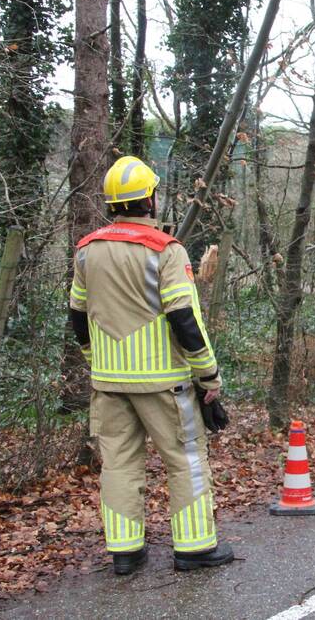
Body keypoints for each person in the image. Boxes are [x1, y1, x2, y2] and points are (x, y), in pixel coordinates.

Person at [68, 156, 234, 575]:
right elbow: (184, 318)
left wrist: (94, 360)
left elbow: (77, 314)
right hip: (164, 382)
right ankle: (195, 549)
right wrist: (208, 375)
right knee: (186, 460)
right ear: (151, 199)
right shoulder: (165, 250)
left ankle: (125, 553)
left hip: (109, 381)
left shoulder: (87, 251)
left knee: (120, 464)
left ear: (112, 203)